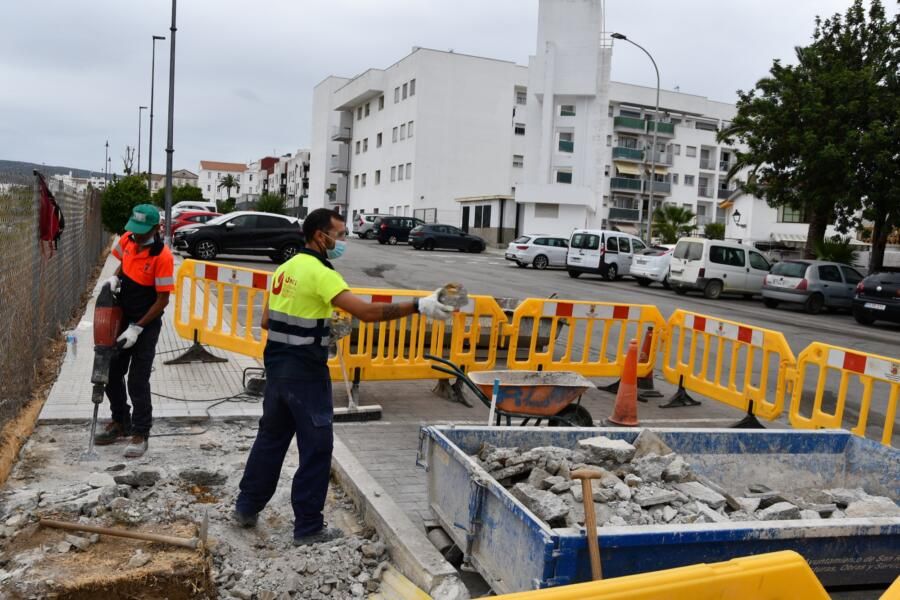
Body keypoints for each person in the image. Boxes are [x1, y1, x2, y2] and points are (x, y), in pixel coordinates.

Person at [234, 208, 454, 546]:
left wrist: (322, 327)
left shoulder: (286, 268)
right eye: (339, 234)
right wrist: (418, 306)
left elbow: (268, 321)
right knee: (317, 450)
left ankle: (246, 508)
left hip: (277, 371)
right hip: (307, 374)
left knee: (270, 442)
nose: (342, 241)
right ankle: (308, 528)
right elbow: (365, 312)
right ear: (320, 235)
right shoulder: (323, 273)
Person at [93, 204, 174, 458]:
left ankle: (141, 432)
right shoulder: (128, 239)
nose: (136, 236)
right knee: (112, 373)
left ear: (155, 228)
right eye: (134, 230)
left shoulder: (163, 257)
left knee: (138, 380)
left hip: (145, 324)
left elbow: (163, 300)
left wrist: (137, 328)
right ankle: (121, 421)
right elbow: (123, 264)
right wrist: (115, 278)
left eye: (142, 232)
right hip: (123, 315)